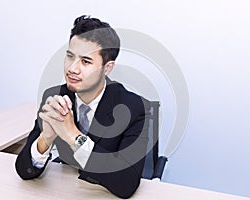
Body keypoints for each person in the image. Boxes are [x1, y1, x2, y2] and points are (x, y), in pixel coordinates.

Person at [15, 15, 150, 199]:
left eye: (85, 62)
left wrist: (73, 136)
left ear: (107, 68)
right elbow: (25, 171)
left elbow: (127, 184)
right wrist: (44, 139)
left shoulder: (134, 107)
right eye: (70, 57)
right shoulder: (56, 96)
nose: (72, 69)